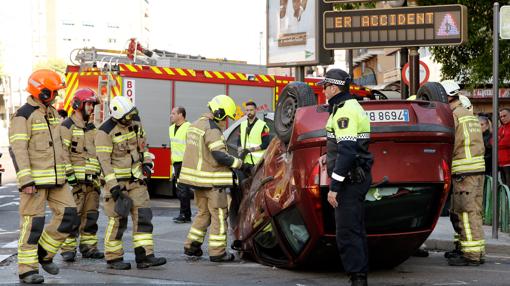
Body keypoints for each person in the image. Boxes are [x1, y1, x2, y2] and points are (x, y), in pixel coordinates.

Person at [9, 69, 77, 284]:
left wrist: (67, 173)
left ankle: (44, 253)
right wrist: (25, 180)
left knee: (69, 215)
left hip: (58, 180)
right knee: (33, 225)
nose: (56, 96)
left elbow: (59, 148)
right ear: (43, 91)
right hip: (34, 183)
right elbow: (18, 149)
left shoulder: (53, 113)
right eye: (54, 92)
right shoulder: (23, 115)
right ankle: (27, 270)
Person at [95, 96, 166, 270]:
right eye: (126, 117)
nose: (129, 120)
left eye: (131, 116)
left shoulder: (135, 123)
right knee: (117, 221)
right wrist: (113, 188)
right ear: (117, 115)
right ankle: (113, 258)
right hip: (117, 185)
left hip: (137, 182)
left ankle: (145, 256)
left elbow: (144, 148)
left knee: (143, 218)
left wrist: (148, 164)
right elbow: (104, 163)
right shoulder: (104, 132)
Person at [178, 94, 248, 262]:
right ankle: (218, 252)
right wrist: (240, 164)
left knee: (203, 214)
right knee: (219, 216)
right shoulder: (212, 129)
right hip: (213, 182)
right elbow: (219, 155)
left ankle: (191, 245)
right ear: (219, 113)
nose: (226, 122)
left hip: (197, 181)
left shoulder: (195, 125)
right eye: (226, 118)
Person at [319, 69, 373, 286]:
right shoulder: (348, 107)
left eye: (325, 86)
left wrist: (334, 187)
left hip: (350, 180)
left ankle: (357, 279)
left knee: (347, 232)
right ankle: (359, 275)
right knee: (356, 229)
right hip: (355, 177)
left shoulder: (344, 111)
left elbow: (348, 150)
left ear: (333, 87)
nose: (323, 90)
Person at [441, 80, 485, 266]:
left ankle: (471, 255)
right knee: (474, 211)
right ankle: (476, 251)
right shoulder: (468, 114)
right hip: (476, 169)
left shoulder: (453, 116)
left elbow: (451, 144)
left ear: (447, 96)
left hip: (463, 171)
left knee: (466, 213)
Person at [59, 88, 104, 262]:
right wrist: (70, 177)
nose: (92, 108)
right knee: (72, 217)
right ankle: (68, 248)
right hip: (75, 183)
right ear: (78, 104)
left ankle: (89, 247)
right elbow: (63, 154)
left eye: (93, 104)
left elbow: (98, 153)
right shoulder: (66, 127)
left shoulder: (92, 128)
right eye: (89, 104)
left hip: (92, 183)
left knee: (91, 216)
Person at [169, 106, 192, 223]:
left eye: (173, 113)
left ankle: (185, 215)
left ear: (181, 115)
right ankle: (185, 214)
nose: (171, 115)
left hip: (185, 162)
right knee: (180, 189)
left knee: (183, 190)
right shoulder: (171, 128)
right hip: (176, 163)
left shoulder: (189, 128)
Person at [237, 101, 271, 167]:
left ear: (255, 110)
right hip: (245, 162)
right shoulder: (242, 125)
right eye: (247, 110)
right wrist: (240, 150)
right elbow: (239, 141)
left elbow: (266, 144)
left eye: (251, 110)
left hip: (258, 163)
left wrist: (250, 150)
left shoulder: (262, 125)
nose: (249, 112)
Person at [498, 108, 510, 185]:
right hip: (501, 163)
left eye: (504, 116)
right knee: (504, 187)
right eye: (501, 116)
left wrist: (499, 141)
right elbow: (492, 141)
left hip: (509, 163)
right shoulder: (501, 128)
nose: (502, 118)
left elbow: (507, 142)